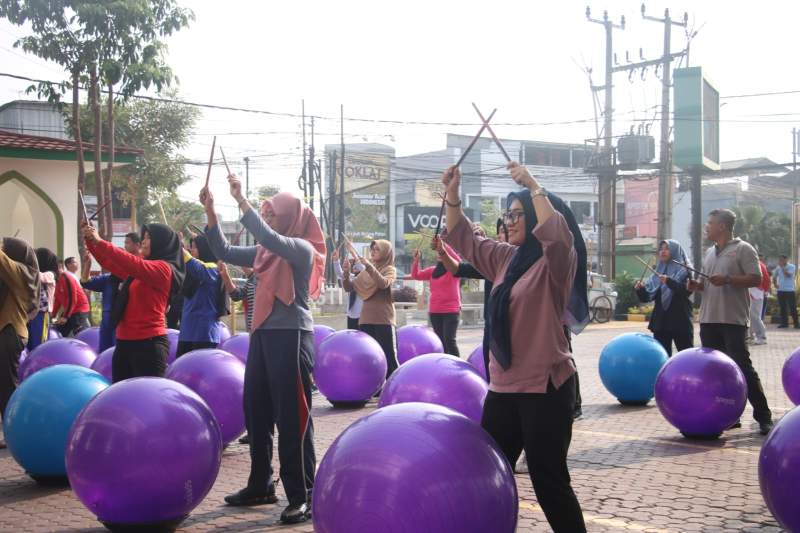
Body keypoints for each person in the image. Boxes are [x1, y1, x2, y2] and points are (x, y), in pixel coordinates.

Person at [442, 161, 587, 532]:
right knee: (487, 474)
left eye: (517, 213)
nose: (509, 221)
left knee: (548, 481)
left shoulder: (556, 261)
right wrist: (453, 194)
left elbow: (558, 234)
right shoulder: (507, 259)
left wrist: (533, 185)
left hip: (545, 388)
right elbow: (464, 240)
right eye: (508, 214)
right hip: (504, 389)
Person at [201, 175, 324, 524]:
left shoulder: (302, 249)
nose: (268, 219)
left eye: (272, 213)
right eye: (265, 213)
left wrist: (241, 200)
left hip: (292, 337)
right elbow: (223, 251)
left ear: (289, 218)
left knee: (293, 418)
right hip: (263, 337)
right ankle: (260, 484)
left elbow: (268, 236)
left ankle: (303, 494)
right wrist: (211, 212)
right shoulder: (265, 253)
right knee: (256, 413)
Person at [688, 208, 773, 435]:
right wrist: (697, 286)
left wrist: (727, 279)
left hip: (733, 320)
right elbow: (706, 283)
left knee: (742, 368)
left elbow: (756, 278)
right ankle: (728, 415)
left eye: (711, 223)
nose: (707, 227)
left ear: (722, 226)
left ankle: (763, 416)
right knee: (716, 372)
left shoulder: (744, 249)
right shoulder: (709, 252)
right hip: (708, 320)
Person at [82, 221, 185, 382]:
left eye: (148, 238)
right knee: (122, 400)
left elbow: (130, 262)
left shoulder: (164, 270)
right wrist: (90, 239)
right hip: (124, 343)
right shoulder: (139, 271)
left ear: (161, 242)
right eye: (143, 237)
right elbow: (110, 262)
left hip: (149, 345)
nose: (143, 241)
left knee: (146, 401)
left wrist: (99, 241)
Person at [0, 237, 40, 449]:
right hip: (8, 332)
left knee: (7, 386)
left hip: (10, 333)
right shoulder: (18, 275)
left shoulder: (22, 273)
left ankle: (13, 432)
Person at [341, 239, 399, 380]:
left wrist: (368, 266)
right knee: (370, 357)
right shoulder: (367, 270)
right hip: (365, 319)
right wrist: (346, 273)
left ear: (386, 252)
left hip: (383, 319)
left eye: (377, 249)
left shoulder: (389, 269)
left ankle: (396, 386)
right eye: (372, 249)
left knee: (389, 356)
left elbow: (383, 283)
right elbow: (349, 287)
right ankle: (375, 388)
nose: (373, 251)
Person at [634, 240, 694, 355]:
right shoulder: (658, 271)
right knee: (662, 358)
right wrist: (640, 289)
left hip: (680, 321)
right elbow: (647, 298)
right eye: (661, 249)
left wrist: (669, 281)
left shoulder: (685, 270)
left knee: (686, 356)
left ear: (675, 251)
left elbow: (686, 291)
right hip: (661, 323)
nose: (663, 251)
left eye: (667, 248)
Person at [408, 236, 462, 356]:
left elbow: (457, 259)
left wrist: (442, 245)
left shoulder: (455, 270)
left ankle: (455, 366)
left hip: (451, 310)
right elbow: (416, 275)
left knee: (450, 340)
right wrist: (416, 260)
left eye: (441, 251)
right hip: (435, 311)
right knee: (440, 342)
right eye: (438, 251)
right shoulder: (433, 270)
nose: (439, 253)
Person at [176, 234, 225, 357]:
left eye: (194, 247)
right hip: (187, 331)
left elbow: (197, 267)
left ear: (204, 248)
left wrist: (177, 245)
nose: (191, 250)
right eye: (190, 247)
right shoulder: (190, 270)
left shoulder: (213, 268)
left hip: (204, 333)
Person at [80, 252, 120, 352]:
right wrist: (88, 265)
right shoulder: (107, 279)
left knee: (119, 352)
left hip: (123, 322)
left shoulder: (132, 278)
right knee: (104, 351)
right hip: (107, 321)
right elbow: (86, 282)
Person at [27, 247, 57, 350]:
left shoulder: (50, 274)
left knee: (39, 344)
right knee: (29, 343)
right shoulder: (30, 273)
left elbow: (39, 277)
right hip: (30, 313)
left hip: (41, 314)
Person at [52, 258, 91, 337]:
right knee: (59, 332)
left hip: (79, 309)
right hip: (70, 310)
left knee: (80, 334)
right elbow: (57, 301)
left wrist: (65, 317)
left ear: (61, 267)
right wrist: (52, 316)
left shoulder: (66, 277)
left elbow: (72, 298)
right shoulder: (56, 280)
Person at [332, 248, 363, 330]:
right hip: (351, 315)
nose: (354, 266)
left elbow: (364, 269)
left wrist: (354, 254)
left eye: (356, 264)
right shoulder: (351, 277)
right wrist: (336, 261)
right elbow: (340, 273)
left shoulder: (365, 277)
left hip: (362, 316)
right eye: (353, 265)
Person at [773, 254, 798, 329]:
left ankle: (796, 323)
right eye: (780, 260)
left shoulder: (792, 267)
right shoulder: (778, 267)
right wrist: (775, 284)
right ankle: (784, 323)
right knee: (782, 307)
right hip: (781, 290)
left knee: (792, 307)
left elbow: (788, 275)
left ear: (786, 260)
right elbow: (774, 276)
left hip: (790, 290)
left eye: (782, 260)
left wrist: (782, 267)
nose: (780, 261)